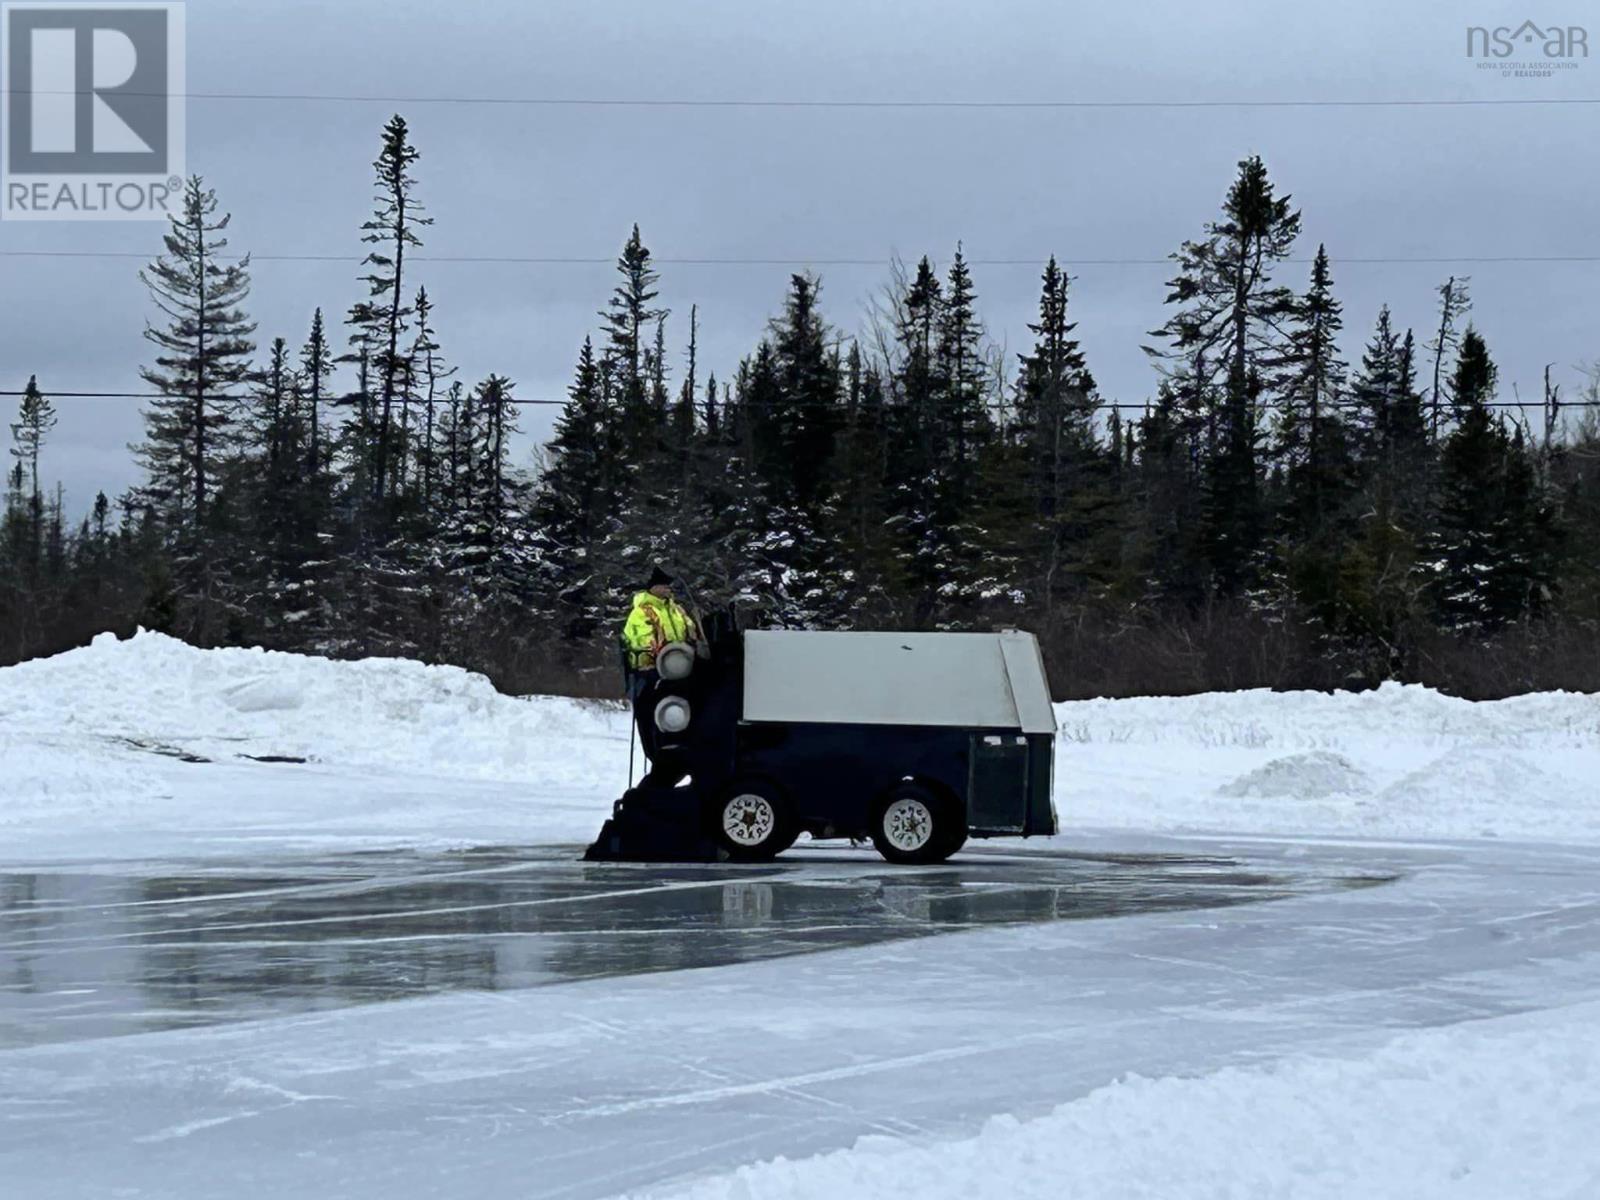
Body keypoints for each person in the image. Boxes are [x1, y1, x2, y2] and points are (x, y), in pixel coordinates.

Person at [620, 567, 699, 784]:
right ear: (653, 587)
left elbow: (691, 630)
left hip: (680, 670)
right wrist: (660, 656)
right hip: (652, 671)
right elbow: (643, 640)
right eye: (664, 585)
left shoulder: (676, 610)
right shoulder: (643, 612)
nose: (667, 589)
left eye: (668, 586)